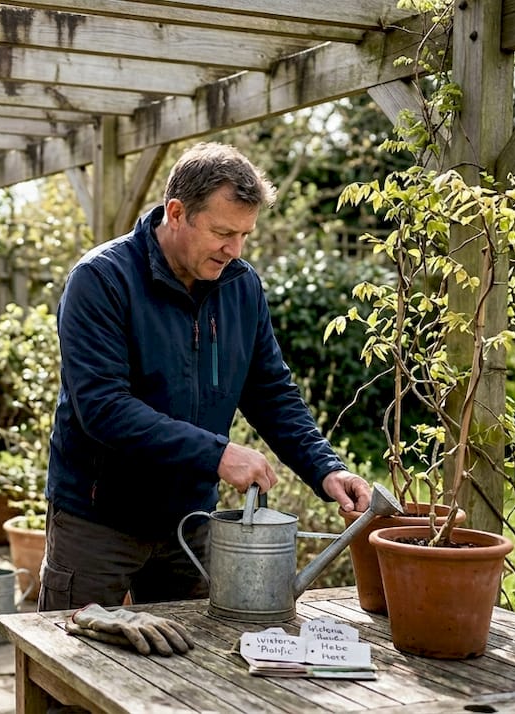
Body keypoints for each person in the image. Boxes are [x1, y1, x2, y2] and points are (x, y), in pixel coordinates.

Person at [39, 142, 372, 613]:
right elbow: (103, 408)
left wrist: (326, 468)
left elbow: (271, 392)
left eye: (244, 235)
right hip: (98, 524)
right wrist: (217, 453)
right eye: (222, 232)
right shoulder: (101, 280)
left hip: (192, 525)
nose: (234, 250)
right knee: (70, 665)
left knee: (196, 670)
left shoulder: (241, 285)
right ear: (176, 213)